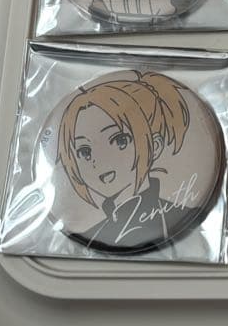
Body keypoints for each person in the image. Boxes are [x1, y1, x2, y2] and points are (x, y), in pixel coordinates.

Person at [57, 71, 194, 252]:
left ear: (155, 146)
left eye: (119, 140)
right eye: (84, 151)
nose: (99, 161)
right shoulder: (91, 235)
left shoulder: (183, 217)